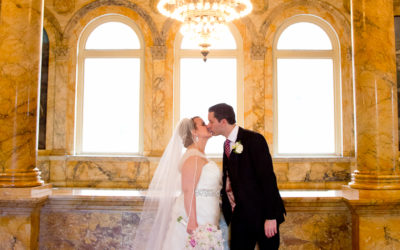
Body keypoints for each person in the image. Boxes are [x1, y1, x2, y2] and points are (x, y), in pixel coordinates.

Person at [133, 117, 222, 250]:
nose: (208, 126)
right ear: (194, 132)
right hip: (195, 216)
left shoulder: (200, 155)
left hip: (207, 212)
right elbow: (188, 190)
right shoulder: (193, 157)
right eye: (203, 124)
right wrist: (192, 222)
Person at [207, 103, 286, 250]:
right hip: (240, 218)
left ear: (223, 121)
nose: (208, 125)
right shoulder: (226, 145)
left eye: (211, 121)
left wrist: (270, 217)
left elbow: (268, 179)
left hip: (263, 216)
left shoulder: (254, 140)